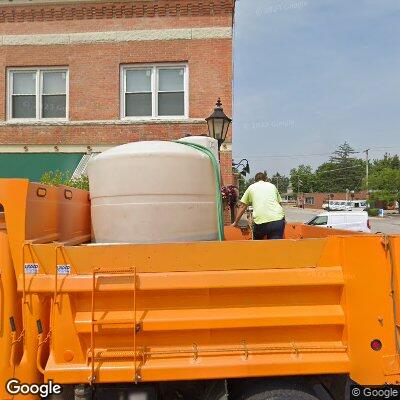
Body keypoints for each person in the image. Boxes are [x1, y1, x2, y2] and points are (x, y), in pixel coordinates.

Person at [231, 172, 286, 240]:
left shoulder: (251, 187)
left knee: (258, 244)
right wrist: (284, 219)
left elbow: (242, 206)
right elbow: (279, 204)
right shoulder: (272, 186)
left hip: (261, 223)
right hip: (277, 221)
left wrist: (235, 222)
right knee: (275, 246)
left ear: (255, 180)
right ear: (265, 179)